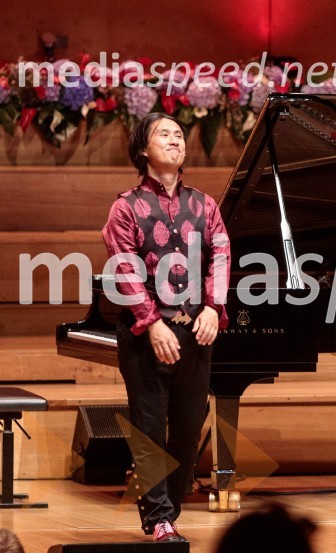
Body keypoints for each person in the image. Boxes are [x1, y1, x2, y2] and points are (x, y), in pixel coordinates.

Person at [103, 112, 230, 542]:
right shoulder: (126, 207)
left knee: (190, 427)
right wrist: (150, 321)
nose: (175, 140)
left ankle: (168, 515)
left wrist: (214, 307)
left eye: (179, 134)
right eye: (164, 134)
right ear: (143, 149)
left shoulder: (205, 204)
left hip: (197, 330)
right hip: (147, 335)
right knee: (150, 431)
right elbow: (124, 268)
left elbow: (221, 256)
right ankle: (158, 518)